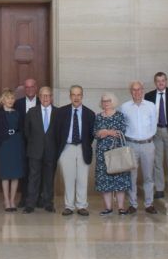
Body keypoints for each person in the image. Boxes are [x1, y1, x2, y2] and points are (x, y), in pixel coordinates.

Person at [54, 85, 95, 216]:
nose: (76, 97)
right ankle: (69, 206)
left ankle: (82, 206)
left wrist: (84, 145)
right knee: (69, 178)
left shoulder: (90, 113)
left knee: (82, 178)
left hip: (83, 148)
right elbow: (57, 132)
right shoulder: (61, 112)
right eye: (74, 95)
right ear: (70, 96)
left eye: (79, 95)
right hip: (67, 148)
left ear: (82, 96)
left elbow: (91, 134)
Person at [119, 81, 158, 214]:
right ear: (131, 92)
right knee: (131, 176)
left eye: (139, 90)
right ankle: (133, 204)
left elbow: (154, 125)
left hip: (148, 144)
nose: (137, 92)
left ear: (143, 91)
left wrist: (148, 137)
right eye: (134, 90)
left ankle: (149, 204)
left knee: (148, 176)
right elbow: (122, 125)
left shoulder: (151, 106)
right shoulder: (124, 107)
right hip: (131, 144)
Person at [94, 92, 130, 216]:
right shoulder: (98, 117)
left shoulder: (120, 115)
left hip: (117, 151)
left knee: (120, 179)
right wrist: (106, 132)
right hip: (102, 154)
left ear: (113, 101)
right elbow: (95, 133)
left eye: (108, 101)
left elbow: (121, 131)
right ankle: (108, 208)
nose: (106, 103)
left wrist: (106, 132)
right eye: (104, 101)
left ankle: (121, 207)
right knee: (105, 181)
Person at [145, 73, 168, 200]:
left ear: (166, 81)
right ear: (155, 82)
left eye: (163, 80)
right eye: (158, 81)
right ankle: (159, 189)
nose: (161, 83)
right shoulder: (148, 96)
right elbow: (147, 116)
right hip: (156, 132)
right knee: (157, 162)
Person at [23, 86, 56, 213]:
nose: (45, 98)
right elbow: (27, 132)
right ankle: (30, 204)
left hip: (51, 151)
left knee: (49, 178)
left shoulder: (58, 112)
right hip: (35, 150)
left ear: (51, 97)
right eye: (43, 95)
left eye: (48, 95)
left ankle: (48, 203)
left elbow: (59, 133)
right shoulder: (32, 112)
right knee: (33, 177)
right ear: (39, 97)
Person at [0, 89, 25, 211]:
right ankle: (6, 201)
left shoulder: (17, 113)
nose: (10, 100)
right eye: (8, 98)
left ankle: (12, 201)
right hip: (4, 145)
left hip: (16, 144)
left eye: (12, 98)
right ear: (3, 100)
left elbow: (22, 130)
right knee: (5, 175)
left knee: (15, 175)